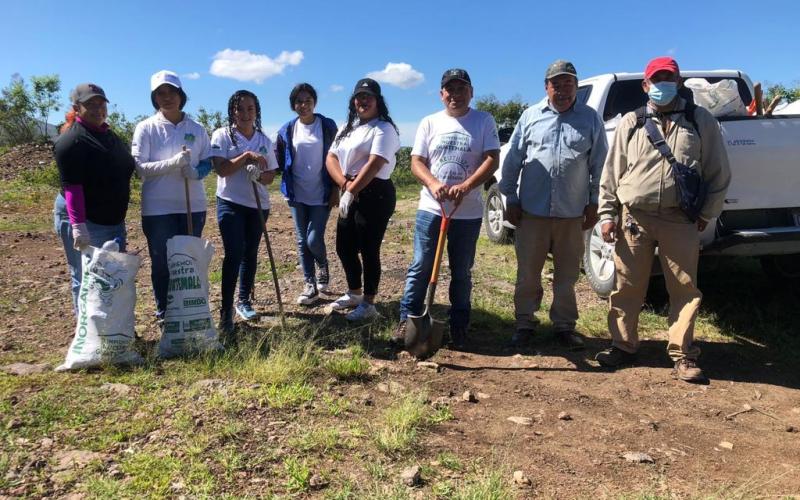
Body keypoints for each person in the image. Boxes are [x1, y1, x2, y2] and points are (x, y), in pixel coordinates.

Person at [595, 56, 731, 382]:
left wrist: (706, 213)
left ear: (679, 81)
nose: (662, 85)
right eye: (656, 80)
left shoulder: (701, 121)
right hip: (634, 218)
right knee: (626, 287)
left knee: (684, 289)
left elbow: (718, 172)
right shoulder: (632, 121)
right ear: (645, 85)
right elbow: (612, 173)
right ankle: (623, 345)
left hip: (679, 219)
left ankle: (683, 355)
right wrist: (607, 214)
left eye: (668, 78)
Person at [500, 60, 608, 351]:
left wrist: (595, 202)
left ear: (576, 86)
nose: (562, 90)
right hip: (532, 212)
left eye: (568, 83)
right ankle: (524, 323)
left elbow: (600, 165)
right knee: (527, 274)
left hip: (572, 213)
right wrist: (509, 196)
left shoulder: (590, 119)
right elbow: (512, 160)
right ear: (546, 87)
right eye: (556, 84)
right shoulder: (530, 117)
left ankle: (564, 326)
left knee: (567, 275)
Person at [394, 69, 500, 349]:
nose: (455, 94)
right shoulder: (429, 122)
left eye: (461, 89)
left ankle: (459, 325)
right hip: (431, 207)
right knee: (421, 265)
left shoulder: (483, 121)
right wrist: (433, 183)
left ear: (471, 92)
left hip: (468, 211)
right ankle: (408, 319)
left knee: (461, 271)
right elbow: (416, 161)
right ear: (442, 94)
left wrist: (465, 186)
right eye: (449, 89)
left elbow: (492, 159)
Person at [131, 70, 213, 322]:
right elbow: (140, 169)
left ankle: (187, 308)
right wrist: (173, 163)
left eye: (172, 92)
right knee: (162, 262)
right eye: (161, 94)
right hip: (157, 209)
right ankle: (165, 312)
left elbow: (209, 162)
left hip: (192, 205)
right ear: (155, 98)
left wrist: (195, 172)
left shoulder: (196, 129)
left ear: (181, 95)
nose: (167, 98)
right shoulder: (146, 128)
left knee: (188, 260)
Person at [53, 83, 136, 315]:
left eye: (101, 103)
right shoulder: (72, 141)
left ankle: (111, 328)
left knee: (110, 274)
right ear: (77, 107)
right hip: (86, 219)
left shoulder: (107, 134)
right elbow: (73, 187)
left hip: (112, 220)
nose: (98, 109)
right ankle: (89, 334)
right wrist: (78, 226)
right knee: (87, 276)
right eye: (90, 104)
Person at [325, 78, 400, 321]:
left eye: (369, 97)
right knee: (344, 246)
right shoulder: (348, 126)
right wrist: (344, 185)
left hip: (375, 192)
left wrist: (351, 189)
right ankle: (355, 292)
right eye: (359, 97)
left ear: (378, 101)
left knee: (369, 248)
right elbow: (331, 157)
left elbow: (375, 162)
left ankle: (369, 303)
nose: (363, 101)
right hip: (350, 188)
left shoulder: (384, 128)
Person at [208, 90, 279, 334]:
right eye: (240, 108)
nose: (246, 113)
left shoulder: (264, 139)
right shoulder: (222, 135)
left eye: (250, 108)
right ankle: (226, 311)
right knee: (234, 253)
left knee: (250, 253)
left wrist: (259, 174)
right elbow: (222, 169)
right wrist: (246, 157)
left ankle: (244, 300)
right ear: (233, 111)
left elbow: (270, 176)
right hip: (230, 202)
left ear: (256, 111)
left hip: (258, 204)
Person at [276, 83, 339, 306]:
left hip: (321, 192)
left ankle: (322, 264)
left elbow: (338, 157)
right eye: (299, 101)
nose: (303, 105)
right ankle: (310, 284)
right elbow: (279, 161)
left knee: (314, 238)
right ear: (293, 105)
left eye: (307, 101)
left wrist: (336, 188)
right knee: (303, 240)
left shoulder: (328, 126)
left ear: (314, 103)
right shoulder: (287, 130)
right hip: (296, 193)